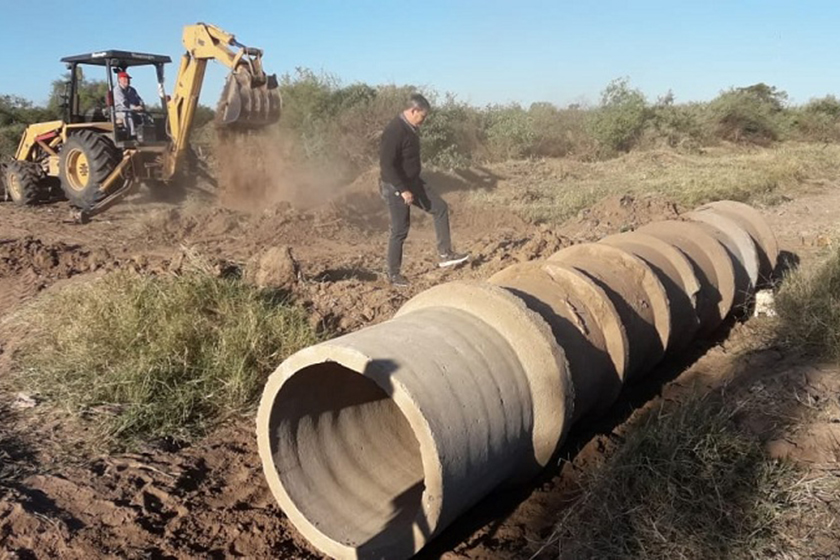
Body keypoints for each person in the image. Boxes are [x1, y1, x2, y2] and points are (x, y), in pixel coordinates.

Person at [379, 93, 469, 287]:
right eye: (423, 116)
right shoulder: (394, 130)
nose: (424, 120)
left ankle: (445, 254)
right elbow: (386, 166)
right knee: (400, 230)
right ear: (413, 110)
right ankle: (393, 274)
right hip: (396, 186)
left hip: (414, 182)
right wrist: (402, 189)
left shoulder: (410, 127)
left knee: (440, 207)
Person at [113, 71, 144, 136]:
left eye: (128, 79)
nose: (127, 80)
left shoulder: (132, 90)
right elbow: (124, 103)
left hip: (133, 109)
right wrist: (135, 108)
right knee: (128, 114)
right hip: (119, 110)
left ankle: (145, 134)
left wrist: (141, 105)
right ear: (119, 80)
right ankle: (132, 135)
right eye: (124, 78)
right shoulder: (117, 90)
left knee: (145, 115)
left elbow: (138, 99)